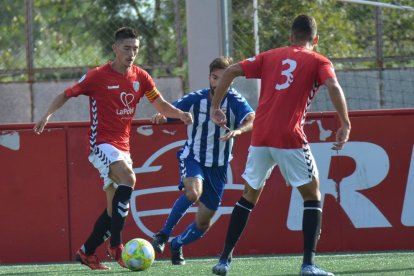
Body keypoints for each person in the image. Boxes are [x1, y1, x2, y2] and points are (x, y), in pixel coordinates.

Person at [33, 27, 193, 270]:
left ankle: (86, 252)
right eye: (127, 48)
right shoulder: (97, 76)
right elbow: (65, 95)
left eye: (136, 49)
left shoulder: (141, 77)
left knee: (114, 212)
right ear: (115, 48)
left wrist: (180, 114)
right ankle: (116, 246)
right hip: (101, 144)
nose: (131, 54)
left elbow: (160, 104)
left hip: (123, 147)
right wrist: (47, 115)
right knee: (129, 179)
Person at [210, 15, 351, 276]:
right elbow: (333, 85)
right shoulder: (319, 60)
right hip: (289, 137)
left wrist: (215, 107)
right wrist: (345, 123)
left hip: (260, 137)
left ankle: (223, 261)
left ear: (291, 36)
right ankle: (308, 265)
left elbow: (230, 71)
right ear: (315, 40)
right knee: (313, 195)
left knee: (248, 196)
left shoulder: (270, 55)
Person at [150, 56, 255, 266]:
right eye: (215, 78)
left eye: (224, 78)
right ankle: (162, 235)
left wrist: (238, 131)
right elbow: (172, 111)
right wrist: (161, 116)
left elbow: (252, 119)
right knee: (193, 193)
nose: (218, 83)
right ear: (210, 77)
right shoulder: (197, 98)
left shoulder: (236, 101)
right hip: (194, 157)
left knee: (203, 223)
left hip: (219, 166)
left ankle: (177, 244)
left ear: (231, 81)